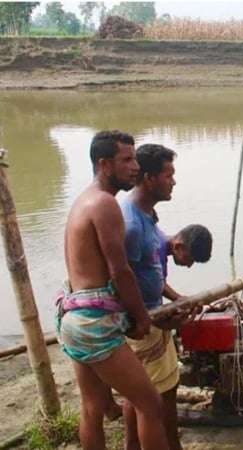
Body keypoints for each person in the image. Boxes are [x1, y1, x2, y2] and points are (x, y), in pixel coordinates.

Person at [57, 131, 168, 450]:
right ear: (104, 164)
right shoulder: (105, 205)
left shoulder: (84, 200)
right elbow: (121, 271)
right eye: (127, 159)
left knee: (93, 408)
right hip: (95, 325)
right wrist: (141, 317)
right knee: (150, 405)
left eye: (135, 158)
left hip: (73, 318)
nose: (135, 166)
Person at [119, 144, 213, 450]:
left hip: (152, 319)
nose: (174, 181)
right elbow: (121, 279)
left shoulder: (148, 219)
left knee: (145, 395)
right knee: (156, 399)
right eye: (169, 174)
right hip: (144, 325)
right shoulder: (132, 224)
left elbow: (150, 275)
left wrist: (174, 302)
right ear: (149, 178)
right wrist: (147, 320)